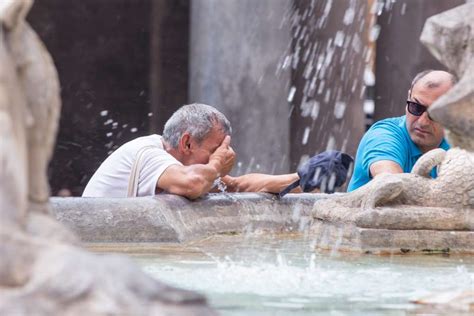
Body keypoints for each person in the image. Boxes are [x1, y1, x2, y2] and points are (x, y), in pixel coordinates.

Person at [83, 103, 304, 199]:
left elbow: (239, 186)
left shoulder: (186, 168)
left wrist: (306, 178)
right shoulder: (149, 154)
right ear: (187, 143)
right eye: (215, 149)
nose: (225, 155)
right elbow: (194, 184)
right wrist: (216, 166)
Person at [347, 70, 456, 192]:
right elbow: (390, 184)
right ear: (409, 96)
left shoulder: (460, 145)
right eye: (416, 107)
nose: (422, 122)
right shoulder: (384, 135)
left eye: (435, 114)